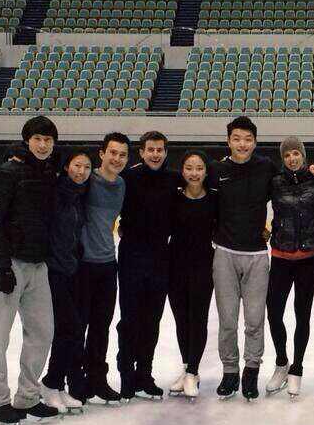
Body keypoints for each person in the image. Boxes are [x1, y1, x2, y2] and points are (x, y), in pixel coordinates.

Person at [0, 115, 60, 425]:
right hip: (9, 263)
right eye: (37, 139)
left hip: (37, 265)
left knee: (42, 332)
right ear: (27, 141)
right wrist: (2, 266)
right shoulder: (8, 171)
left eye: (48, 140)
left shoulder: (49, 171)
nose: (43, 145)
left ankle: (28, 396)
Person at [209, 117, 277, 401]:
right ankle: (229, 371)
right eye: (237, 139)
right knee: (227, 319)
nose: (242, 144)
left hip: (257, 255)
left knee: (254, 319)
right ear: (228, 141)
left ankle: (251, 370)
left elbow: (287, 193)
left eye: (248, 139)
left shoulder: (266, 167)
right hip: (225, 253)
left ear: (255, 142)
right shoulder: (216, 170)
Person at [116, 131, 181, 400]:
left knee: (152, 319)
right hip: (131, 256)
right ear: (141, 152)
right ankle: (126, 374)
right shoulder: (128, 177)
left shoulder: (174, 179)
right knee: (130, 319)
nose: (155, 154)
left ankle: (144, 373)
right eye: (150, 150)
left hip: (160, 257)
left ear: (165, 152)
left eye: (160, 150)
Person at [265, 136, 314, 398]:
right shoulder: (275, 181)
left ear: (303, 155)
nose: (292, 158)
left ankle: (297, 368)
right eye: (287, 154)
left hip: (308, 258)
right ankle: (281, 362)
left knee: (302, 314)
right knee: (274, 312)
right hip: (280, 255)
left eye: (296, 153)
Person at [40, 150, 92, 414]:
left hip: (71, 270)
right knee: (69, 328)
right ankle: (50, 383)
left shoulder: (78, 195)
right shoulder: (55, 192)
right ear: (66, 167)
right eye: (77, 165)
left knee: (68, 330)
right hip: (53, 271)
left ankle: (57, 386)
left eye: (86, 167)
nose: (81, 171)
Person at [79, 133, 129, 404]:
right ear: (101, 154)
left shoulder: (121, 184)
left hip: (108, 264)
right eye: (113, 153)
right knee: (79, 325)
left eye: (122, 155)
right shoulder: (86, 179)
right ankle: (76, 380)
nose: (117, 159)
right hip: (82, 264)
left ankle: (97, 379)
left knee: (101, 326)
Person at [167, 150, 217, 400]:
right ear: (182, 170)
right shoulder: (173, 198)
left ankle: (193, 371)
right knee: (181, 319)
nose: (194, 173)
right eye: (189, 168)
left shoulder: (215, 199)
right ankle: (188, 368)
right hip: (175, 266)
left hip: (203, 267)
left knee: (198, 318)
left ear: (206, 172)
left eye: (199, 168)